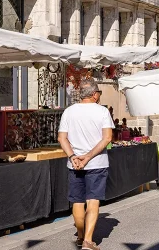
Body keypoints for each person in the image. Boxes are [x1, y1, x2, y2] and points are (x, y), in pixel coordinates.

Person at [58, 79, 113, 250]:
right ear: (95, 94)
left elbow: (61, 138)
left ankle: (81, 236)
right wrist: (88, 156)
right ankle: (88, 241)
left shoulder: (69, 111)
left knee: (77, 201)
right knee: (93, 201)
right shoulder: (102, 111)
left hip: (74, 164)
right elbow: (107, 138)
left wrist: (73, 156)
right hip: (96, 162)